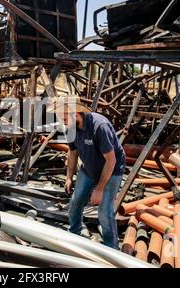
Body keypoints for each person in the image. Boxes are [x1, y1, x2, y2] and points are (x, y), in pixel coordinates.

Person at [53, 96, 125, 250]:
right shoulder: (71, 127)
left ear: (76, 114)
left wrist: (99, 189)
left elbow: (111, 161)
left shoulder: (100, 126)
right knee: (76, 201)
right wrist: (68, 178)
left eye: (64, 118)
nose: (62, 121)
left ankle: (112, 249)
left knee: (104, 211)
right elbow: (73, 153)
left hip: (111, 170)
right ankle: (74, 232)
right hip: (89, 168)